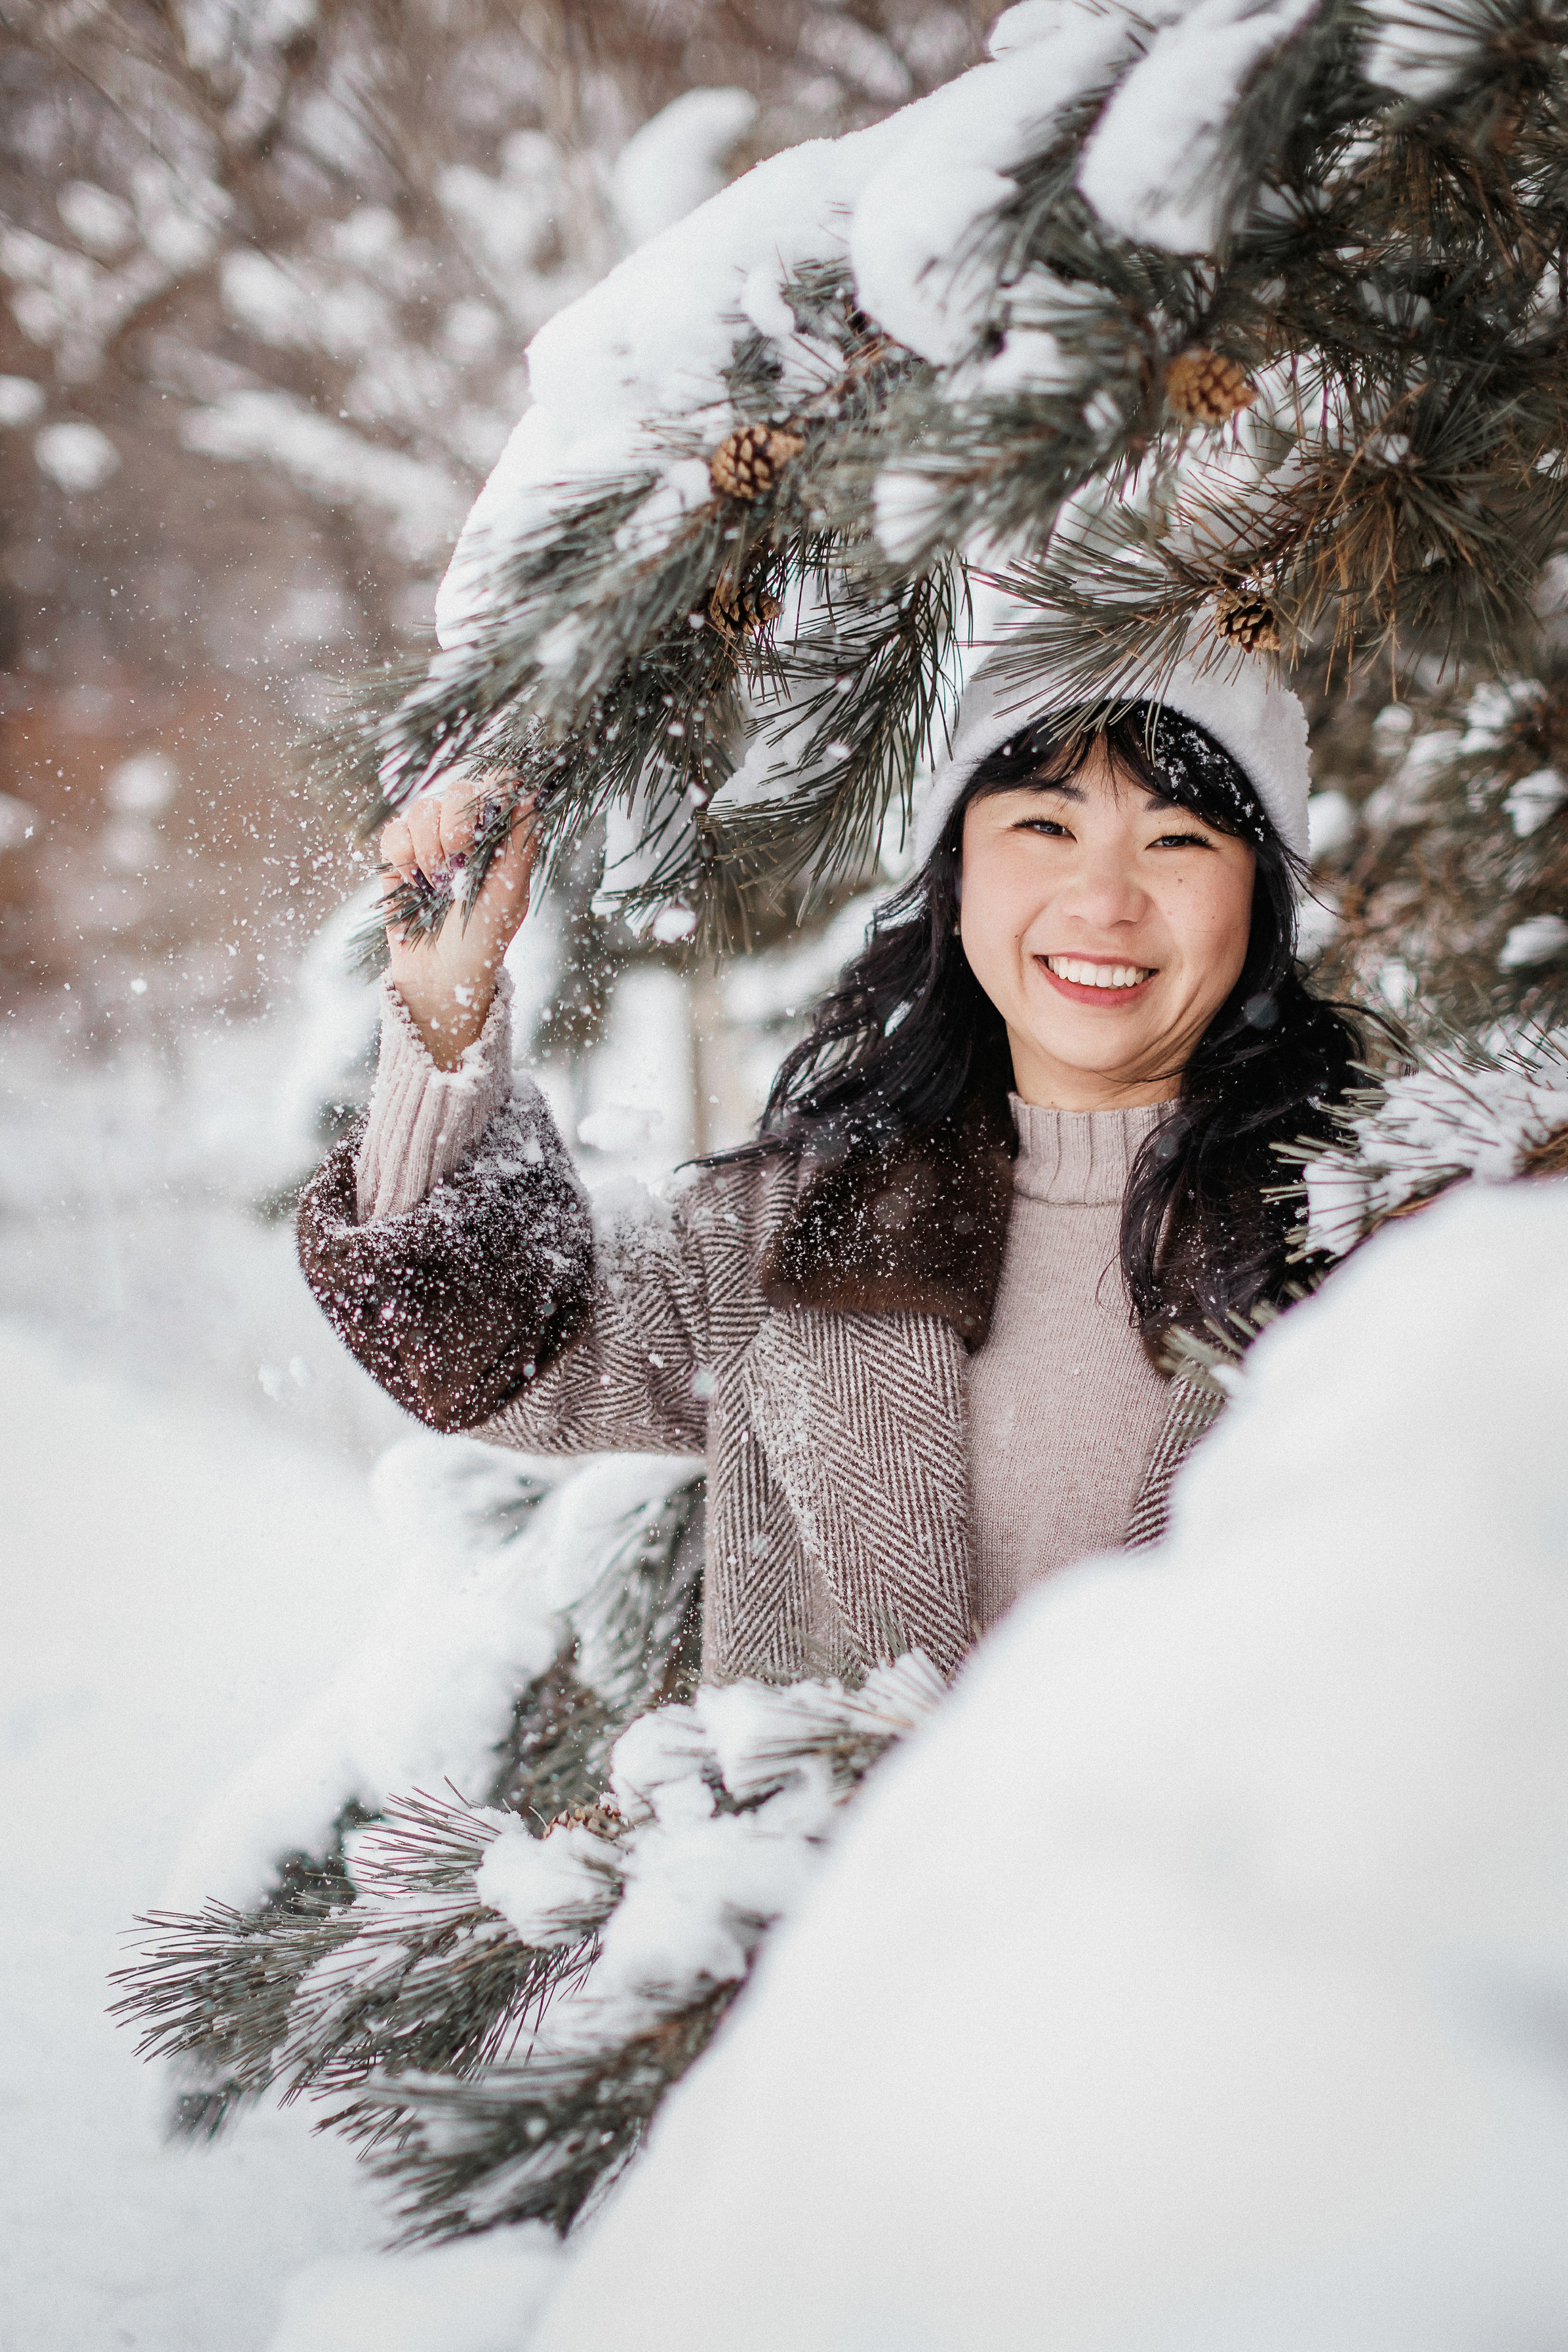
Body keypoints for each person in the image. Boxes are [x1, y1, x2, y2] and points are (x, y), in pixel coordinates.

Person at [298, 653, 1362, 1684]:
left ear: (1260, 898)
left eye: (1178, 840)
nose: (1104, 900)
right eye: (1045, 824)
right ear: (956, 871)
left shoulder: (1367, 1242)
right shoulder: (802, 1224)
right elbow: (489, 1344)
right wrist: (443, 1008)